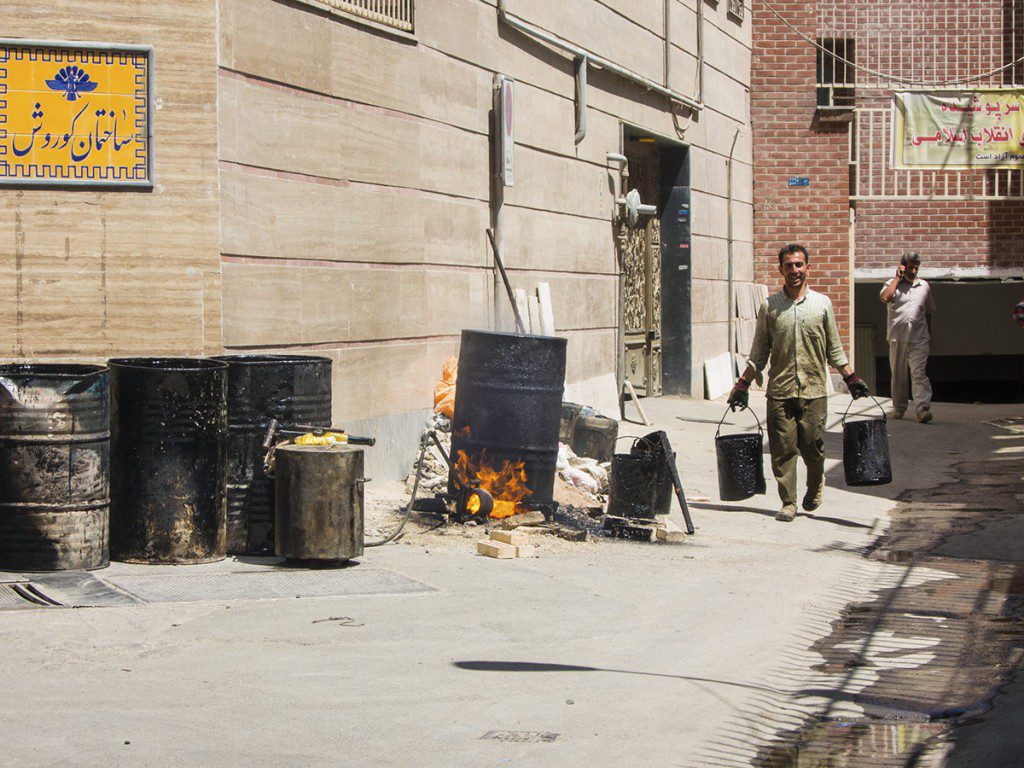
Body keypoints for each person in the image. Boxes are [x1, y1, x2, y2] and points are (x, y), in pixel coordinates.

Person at [727, 244, 869, 523]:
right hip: (780, 390)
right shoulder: (770, 307)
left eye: (799, 265)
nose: (794, 270)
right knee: (782, 449)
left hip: (814, 390)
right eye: (789, 265)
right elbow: (759, 350)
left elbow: (834, 347)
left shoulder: (822, 304)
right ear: (780, 269)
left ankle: (815, 485)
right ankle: (788, 502)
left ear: (808, 268)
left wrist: (851, 377)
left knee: (812, 447)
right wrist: (742, 384)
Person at [879, 253, 936, 423]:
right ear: (903, 266)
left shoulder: (924, 286)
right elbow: (885, 297)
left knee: (918, 373)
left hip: (919, 339)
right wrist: (897, 278)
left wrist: (929, 334)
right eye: (910, 267)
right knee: (898, 375)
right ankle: (899, 408)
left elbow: (928, 312)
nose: (913, 271)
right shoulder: (891, 284)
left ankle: (922, 408)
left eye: (916, 268)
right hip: (897, 338)